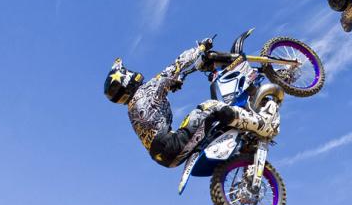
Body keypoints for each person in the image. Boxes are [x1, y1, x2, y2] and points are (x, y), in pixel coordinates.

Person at [104, 40, 277, 168]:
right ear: (126, 81)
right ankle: (262, 124)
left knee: (211, 125)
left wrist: (172, 85)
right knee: (210, 106)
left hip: (165, 158)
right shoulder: (147, 90)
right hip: (171, 143)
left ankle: (244, 148)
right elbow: (178, 65)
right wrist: (200, 48)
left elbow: (154, 111)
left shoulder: (132, 108)